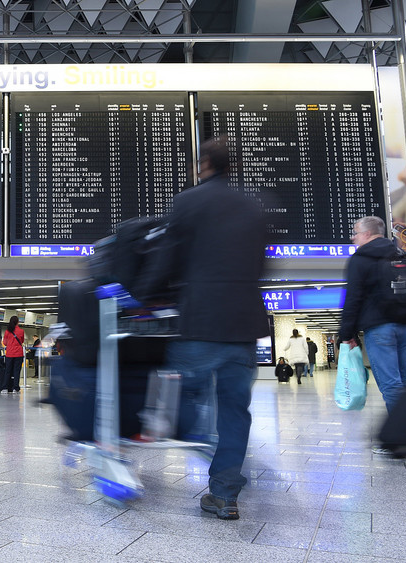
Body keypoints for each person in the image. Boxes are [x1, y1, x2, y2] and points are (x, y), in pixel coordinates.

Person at [161, 137, 269, 520]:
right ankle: (224, 494)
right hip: (242, 327)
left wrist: (148, 295)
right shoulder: (253, 206)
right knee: (235, 412)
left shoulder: (188, 201)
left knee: (174, 393)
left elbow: (170, 260)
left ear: (204, 163)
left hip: (200, 322)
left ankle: (198, 440)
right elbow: (261, 267)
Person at [339, 216, 406, 441]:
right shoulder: (403, 255)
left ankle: (401, 438)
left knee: (391, 385)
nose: (353, 237)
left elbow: (353, 300)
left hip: (380, 329)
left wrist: (347, 335)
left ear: (367, 234)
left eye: (355, 232)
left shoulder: (361, 259)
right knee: (403, 382)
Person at [1, 315, 25, 394]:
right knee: (16, 371)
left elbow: (4, 343)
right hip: (18, 354)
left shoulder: (7, 331)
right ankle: (15, 388)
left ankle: (5, 387)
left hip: (9, 354)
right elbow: (21, 341)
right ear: (18, 322)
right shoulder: (21, 331)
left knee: (7, 371)